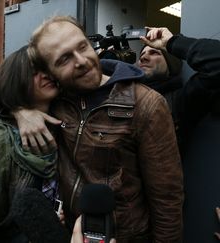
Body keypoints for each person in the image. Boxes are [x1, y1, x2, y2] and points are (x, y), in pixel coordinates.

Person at [14, 16, 183, 242]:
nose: (81, 60)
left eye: (82, 46)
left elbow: (167, 201)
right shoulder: (56, 101)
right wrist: (21, 112)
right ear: (50, 74)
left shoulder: (146, 104)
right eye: (64, 59)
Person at [137, 28, 220, 242]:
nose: (144, 55)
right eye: (142, 54)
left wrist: (172, 43)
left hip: (161, 219)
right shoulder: (119, 99)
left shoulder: (181, 100)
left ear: (172, 65)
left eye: (155, 53)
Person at [0, 45, 62, 239]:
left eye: (47, 68)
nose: (46, 75)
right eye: (34, 72)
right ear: (15, 81)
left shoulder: (67, 121)